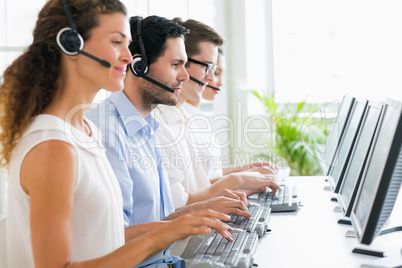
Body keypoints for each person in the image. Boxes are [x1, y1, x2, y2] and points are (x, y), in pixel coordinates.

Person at [0, 2, 232, 267]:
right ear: (71, 44)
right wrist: (165, 233)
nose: (128, 57)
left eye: (128, 44)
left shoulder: (87, 133)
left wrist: (187, 218)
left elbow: (106, 237)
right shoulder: (53, 145)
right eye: (116, 42)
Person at [86, 15, 250, 267]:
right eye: (176, 65)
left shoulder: (147, 127)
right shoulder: (105, 133)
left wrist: (202, 209)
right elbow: (110, 242)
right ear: (138, 65)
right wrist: (181, 223)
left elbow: (157, 220)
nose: (185, 76)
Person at [154, 18, 281, 210]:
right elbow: (179, 203)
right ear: (181, 62)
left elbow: (203, 182)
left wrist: (244, 175)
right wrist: (239, 178)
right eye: (208, 67)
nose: (212, 78)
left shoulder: (183, 116)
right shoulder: (158, 123)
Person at [183, 48, 275, 181]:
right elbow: (196, 186)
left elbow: (211, 173)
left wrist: (248, 168)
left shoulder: (197, 115)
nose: (219, 82)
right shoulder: (181, 117)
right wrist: (242, 180)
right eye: (215, 72)